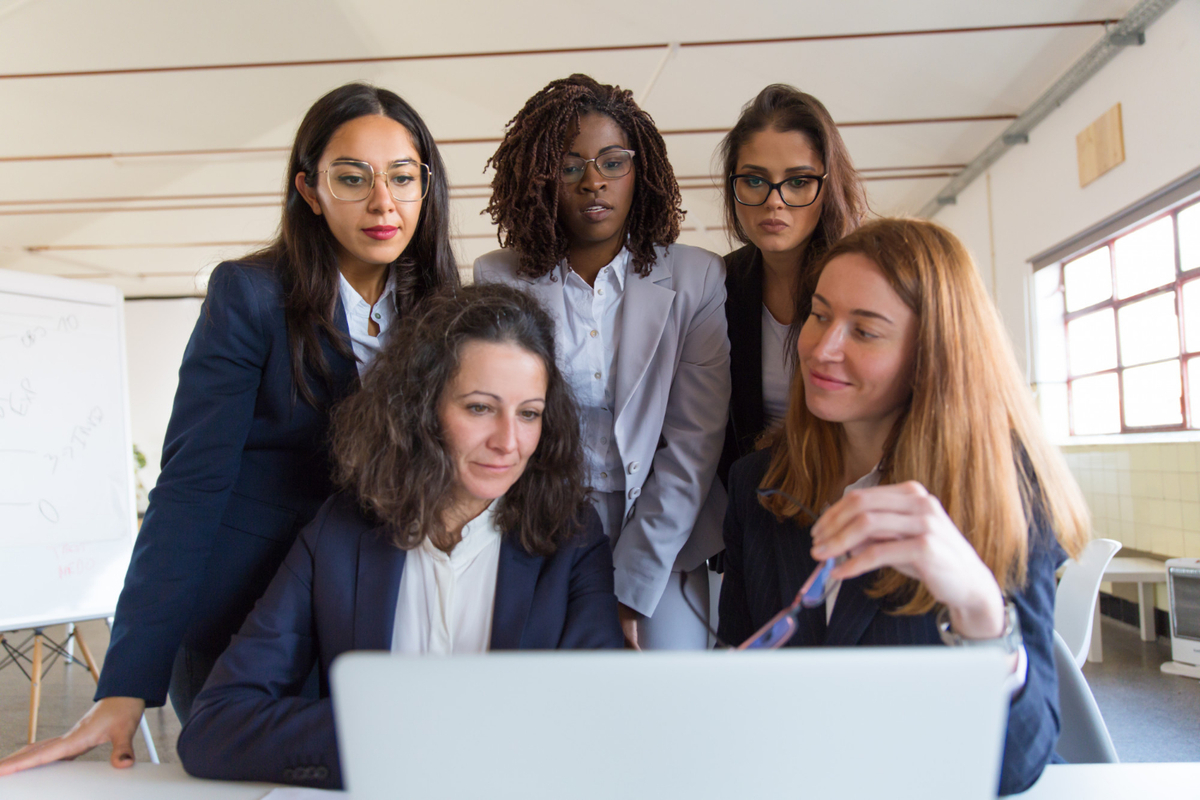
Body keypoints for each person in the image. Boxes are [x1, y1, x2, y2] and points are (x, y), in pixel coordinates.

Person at [0, 82, 458, 775]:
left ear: (426, 185)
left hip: (381, 615)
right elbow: (189, 488)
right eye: (352, 178)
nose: (383, 202)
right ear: (310, 190)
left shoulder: (447, 310)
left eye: (402, 177)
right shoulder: (251, 295)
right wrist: (127, 681)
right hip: (245, 622)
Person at [176, 284, 623, 789]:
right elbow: (214, 727)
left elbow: (599, 725)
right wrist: (394, 737)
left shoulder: (573, 537)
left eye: (528, 413)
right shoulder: (341, 533)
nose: (507, 442)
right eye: (479, 408)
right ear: (423, 406)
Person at [717, 218, 1090, 796]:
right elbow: (740, 682)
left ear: (931, 358)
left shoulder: (1003, 493)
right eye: (819, 315)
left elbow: (1016, 766)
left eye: (865, 332)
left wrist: (977, 604)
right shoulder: (756, 485)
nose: (822, 348)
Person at [475, 74, 730, 650]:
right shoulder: (498, 278)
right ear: (542, 179)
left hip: (665, 522)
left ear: (641, 171)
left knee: (670, 695)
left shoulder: (697, 279)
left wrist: (630, 586)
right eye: (570, 166)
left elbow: (693, 443)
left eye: (613, 161)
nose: (594, 180)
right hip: (543, 519)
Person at [716, 84, 867, 486]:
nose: (774, 201)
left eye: (798, 182)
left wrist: (790, 443)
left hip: (855, 492)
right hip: (758, 504)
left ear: (827, 186)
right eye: (754, 180)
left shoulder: (868, 280)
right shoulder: (719, 285)